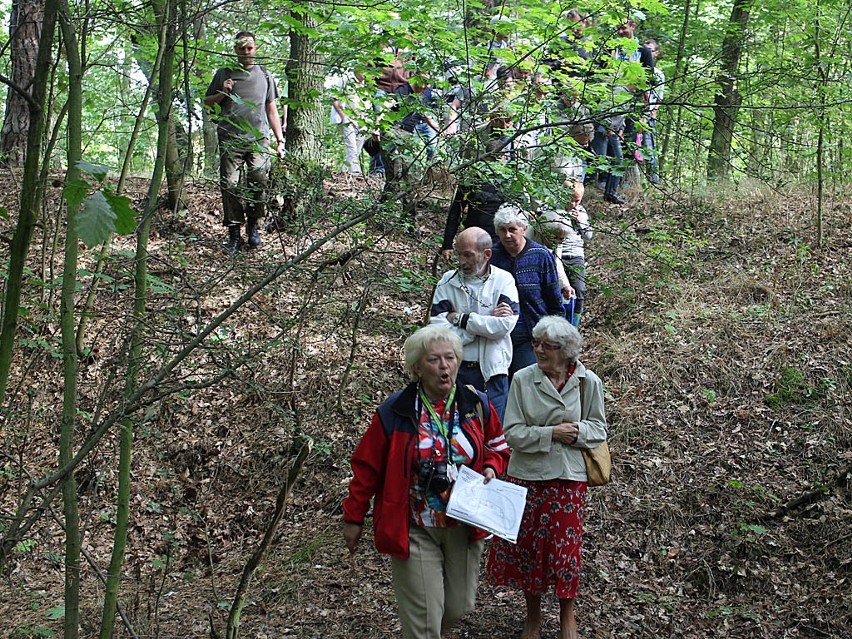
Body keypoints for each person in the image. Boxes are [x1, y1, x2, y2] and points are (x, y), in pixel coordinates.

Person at [342, 325, 510, 639]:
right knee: (425, 623)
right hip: (415, 525)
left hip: (463, 522)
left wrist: (491, 467)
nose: (444, 366)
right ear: (417, 367)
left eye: (450, 358)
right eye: (434, 360)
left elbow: (498, 448)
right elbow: (366, 467)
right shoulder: (396, 411)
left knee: (459, 607)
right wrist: (354, 516)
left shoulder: (475, 404)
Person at [487, 315, 608, 639]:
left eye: (548, 346)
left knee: (564, 551)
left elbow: (598, 429)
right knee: (529, 550)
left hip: (568, 478)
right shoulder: (523, 380)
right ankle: (533, 618)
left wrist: (577, 431)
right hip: (527, 476)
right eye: (536, 343)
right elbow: (511, 433)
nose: (539, 350)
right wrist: (551, 433)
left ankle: (568, 616)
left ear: (566, 351)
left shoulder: (587, 382)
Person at [204, 31, 286, 254]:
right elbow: (208, 103)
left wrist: (280, 140)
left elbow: (272, 109)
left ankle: (253, 227)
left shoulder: (265, 75)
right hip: (230, 138)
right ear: (235, 50)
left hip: (259, 139)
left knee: (258, 180)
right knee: (229, 186)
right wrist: (223, 92)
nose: (246, 52)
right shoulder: (224, 73)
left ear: (255, 48)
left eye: (249, 48)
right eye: (242, 49)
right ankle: (234, 235)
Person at [430, 227, 519, 421]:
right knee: (459, 432)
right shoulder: (448, 281)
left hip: (494, 373)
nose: (462, 262)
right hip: (457, 372)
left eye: (468, 255)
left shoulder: (503, 281)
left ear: (486, 254)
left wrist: (461, 319)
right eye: (459, 255)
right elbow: (437, 331)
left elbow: (505, 325)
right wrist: (476, 331)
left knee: (493, 434)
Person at [489, 204, 564, 378]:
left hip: (532, 335)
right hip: (498, 334)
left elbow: (554, 300)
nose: (507, 235)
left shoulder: (541, 255)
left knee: (525, 381)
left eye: (512, 229)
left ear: (524, 229)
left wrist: (555, 338)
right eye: (502, 230)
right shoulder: (492, 256)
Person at [642, 39, 664, 184]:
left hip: (647, 116)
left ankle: (653, 180)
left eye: (650, 50)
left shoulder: (657, 74)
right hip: (631, 115)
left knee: (649, 148)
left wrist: (651, 113)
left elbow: (658, 98)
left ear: (656, 53)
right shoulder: (635, 69)